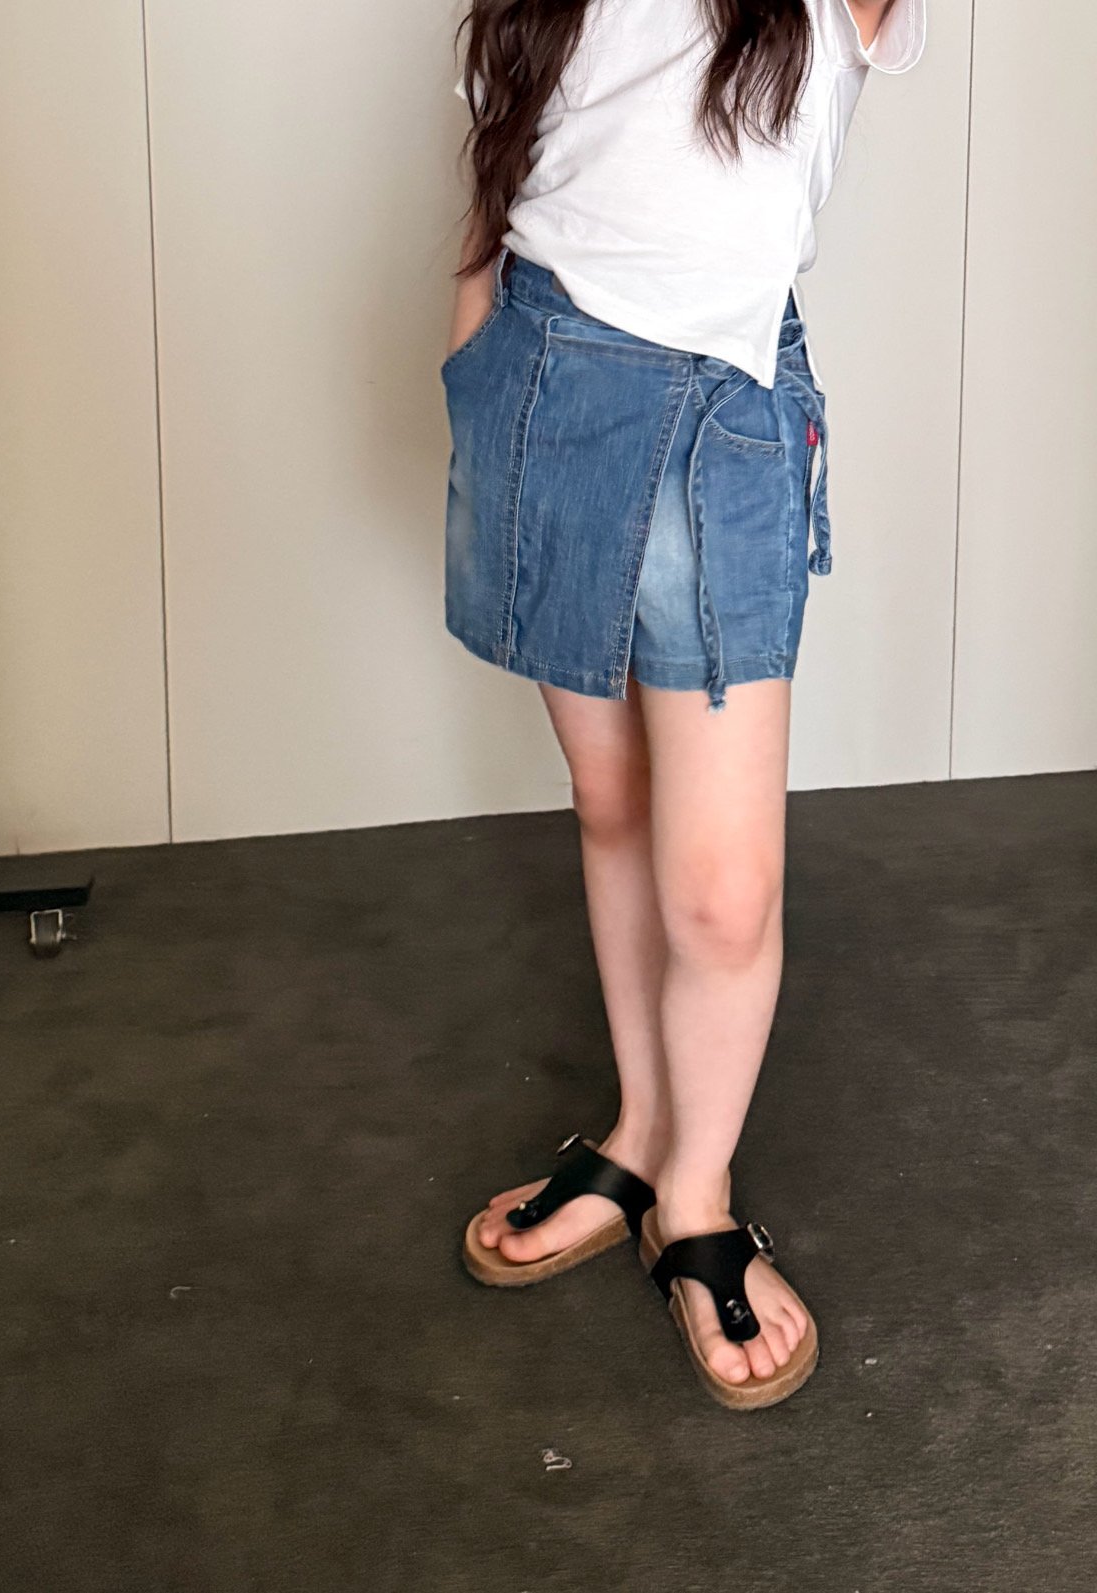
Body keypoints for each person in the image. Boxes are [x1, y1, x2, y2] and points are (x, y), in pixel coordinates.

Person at [443, 0, 926, 1409]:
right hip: (539, 374)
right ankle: (644, 1133)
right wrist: (469, 345)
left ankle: (696, 1201)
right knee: (613, 804)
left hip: (723, 414)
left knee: (721, 893)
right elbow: (507, 135)